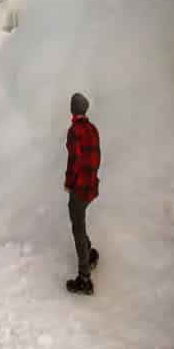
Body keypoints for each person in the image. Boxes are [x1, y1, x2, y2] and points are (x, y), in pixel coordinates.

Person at [63, 91, 100, 294]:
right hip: (91, 187)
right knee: (81, 221)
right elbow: (96, 158)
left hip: (79, 188)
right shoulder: (92, 129)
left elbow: (74, 162)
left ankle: (84, 278)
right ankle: (89, 254)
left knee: (77, 228)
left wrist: (69, 183)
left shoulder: (74, 131)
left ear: (73, 109)